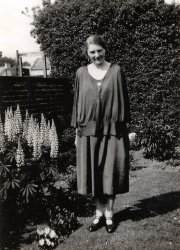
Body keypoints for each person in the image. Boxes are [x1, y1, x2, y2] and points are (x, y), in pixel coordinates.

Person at [71, 34, 130, 233]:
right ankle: (98, 214)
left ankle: (110, 214)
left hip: (113, 131)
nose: (96, 55)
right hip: (87, 132)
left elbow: (123, 101)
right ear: (87, 54)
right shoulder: (80, 73)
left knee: (110, 172)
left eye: (99, 51)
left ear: (105, 50)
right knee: (93, 175)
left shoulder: (116, 71)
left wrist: (123, 130)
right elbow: (77, 103)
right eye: (92, 52)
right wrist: (76, 133)